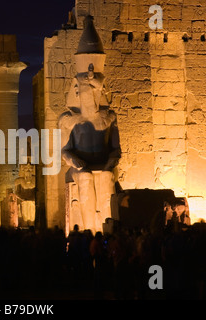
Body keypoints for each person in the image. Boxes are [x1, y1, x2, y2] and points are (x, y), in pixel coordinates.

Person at [59, 15, 121, 234]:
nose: (91, 97)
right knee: (85, 177)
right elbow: (65, 151)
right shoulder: (69, 120)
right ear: (77, 91)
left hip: (103, 164)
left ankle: (107, 229)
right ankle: (89, 230)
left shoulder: (109, 117)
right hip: (80, 166)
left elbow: (116, 150)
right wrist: (75, 161)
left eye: (95, 91)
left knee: (105, 178)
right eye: (87, 91)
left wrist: (110, 162)